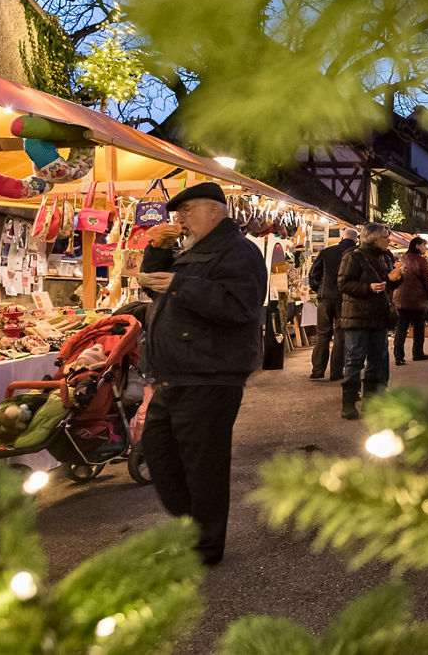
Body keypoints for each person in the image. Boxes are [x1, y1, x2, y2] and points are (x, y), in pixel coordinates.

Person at [136, 181, 267, 566]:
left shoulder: (239, 251)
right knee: (159, 454)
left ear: (214, 210)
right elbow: (156, 290)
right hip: (175, 372)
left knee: (203, 465)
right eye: (178, 214)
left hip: (211, 372)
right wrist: (157, 251)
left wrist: (182, 285)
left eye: (187, 211)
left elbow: (240, 306)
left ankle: (205, 546)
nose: (181, 220)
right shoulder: (195, 249)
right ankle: (188, 530)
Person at [337, 223, 402, 419]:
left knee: (377, 358)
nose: (388, 240)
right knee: (355, 359)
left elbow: (388, 285)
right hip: (357, 316)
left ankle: (372, 401)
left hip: (379, 316)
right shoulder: (353, 256)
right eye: (385, 237)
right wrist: (368, 287)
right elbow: (343, 283)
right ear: (373, 238)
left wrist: (398, 277)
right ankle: (349, 403)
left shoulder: (386, 257)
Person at [306, 229, 357, 381]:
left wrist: (318, 288)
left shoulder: (327, 252)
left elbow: (314, 274)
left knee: (323, 333)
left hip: (325, 298)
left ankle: (317, 370)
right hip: (345, 299)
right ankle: (336, 372)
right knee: (341, 334)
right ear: (355, 239)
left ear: (342, 237)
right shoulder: (356, 253)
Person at [393, 236, 428, 365]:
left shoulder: (401, 259)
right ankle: (417, 352)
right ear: (417, 245)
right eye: (424, 245)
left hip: (401, 299)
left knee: (401, 328)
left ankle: (398, 356)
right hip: (417, 299)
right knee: (418, 327)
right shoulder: (422, 261)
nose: (425, 248)